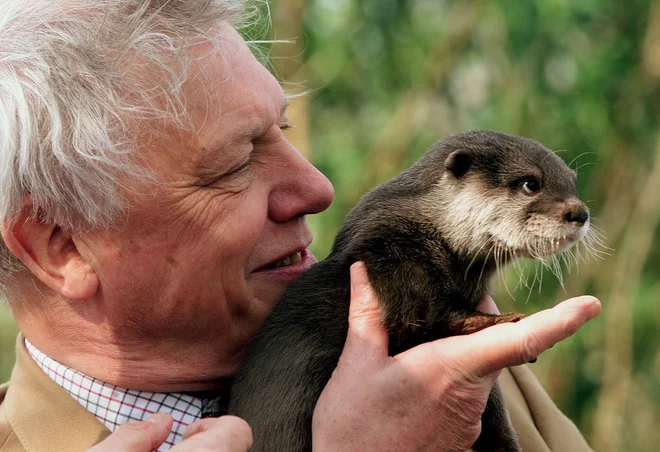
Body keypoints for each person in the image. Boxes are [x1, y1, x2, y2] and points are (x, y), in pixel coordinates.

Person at [0, 1, 600, 451]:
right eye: (235, 164)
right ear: (62, 247)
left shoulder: (459, 374)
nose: (317, 190)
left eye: (281, 132)